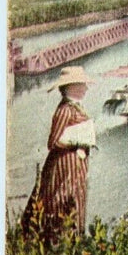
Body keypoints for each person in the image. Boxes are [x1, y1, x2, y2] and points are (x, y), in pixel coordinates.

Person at [23, 66, 96, 241]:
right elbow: (53, 142)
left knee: (77, 198)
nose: (86, 88)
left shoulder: (76, 107)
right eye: (82, 85)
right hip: (65, 166)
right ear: (72, 87)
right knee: (63, 199)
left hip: (76, 165)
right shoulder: (65, 110)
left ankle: (75, 238)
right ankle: (61, 239)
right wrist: (76, 143)